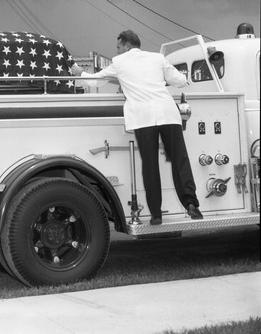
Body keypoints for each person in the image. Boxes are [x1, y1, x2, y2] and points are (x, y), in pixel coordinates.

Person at [71, 30, 203, 225]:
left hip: (144, 118)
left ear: (127, 46)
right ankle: (191, 204)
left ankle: (156, 214)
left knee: (149, 165)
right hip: (168, 113)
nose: (116, 51)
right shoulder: (158, 58)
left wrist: (78, 72)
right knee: (179, 159)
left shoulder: (119, 63)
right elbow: (180, 81)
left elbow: (93, 80)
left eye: (118, 47)